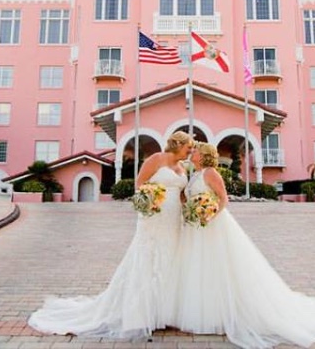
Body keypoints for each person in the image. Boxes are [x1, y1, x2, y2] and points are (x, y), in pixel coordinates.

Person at [169, 142, 315, 348]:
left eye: (197, 151)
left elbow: (224, 199)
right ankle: (203, 309)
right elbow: (188, 197)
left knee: (218, 265)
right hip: (196, 227)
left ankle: (220, 312)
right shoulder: (196, 174)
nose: (193, 153)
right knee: (200, 267)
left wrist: (209, 216)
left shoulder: (211, 173)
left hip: (213, 225)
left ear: (204, 155)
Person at [28, 131, 193, 340]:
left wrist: (192, 207)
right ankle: (142, 313)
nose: (191, 151)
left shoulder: (183, 167)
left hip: (173, 220)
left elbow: (180, 193)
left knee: (170, 259)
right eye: (189, 147)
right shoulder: (156, 159)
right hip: (154, 217)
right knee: (149, 259)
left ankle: (164, 310)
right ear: (178, 144)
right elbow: (140, 183)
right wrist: (152, 199)